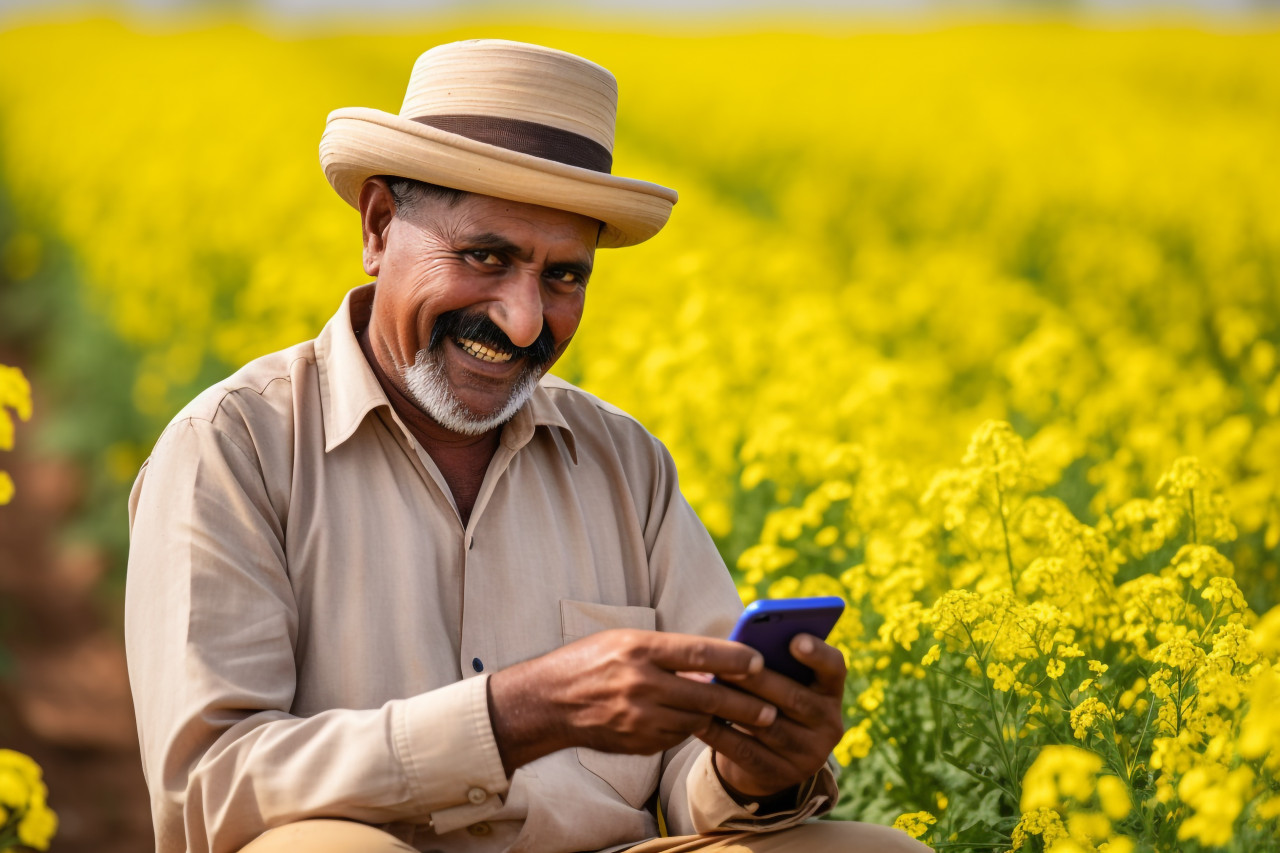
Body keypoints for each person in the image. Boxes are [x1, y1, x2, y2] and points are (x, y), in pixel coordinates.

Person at [124, 39, 929, 853]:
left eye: (563, 277)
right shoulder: (234, 447)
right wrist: (516, 714)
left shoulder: (625, 462)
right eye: (485, 257)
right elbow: (210, 785)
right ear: (377, 226)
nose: (524, 320)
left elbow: (696, 767)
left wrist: (751, 767)